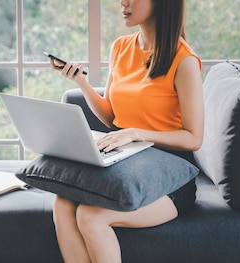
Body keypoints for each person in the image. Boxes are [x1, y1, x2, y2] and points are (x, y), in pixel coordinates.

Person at [48, 0, 204, 262]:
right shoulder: (121, 47)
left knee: (90, 216)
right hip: (125, 164)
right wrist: (81, 81)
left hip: (170, 179)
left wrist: (136, 133)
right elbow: (110, 116)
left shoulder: (184, 60)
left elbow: (194, 138)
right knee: (62, 204)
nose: (123, 2)